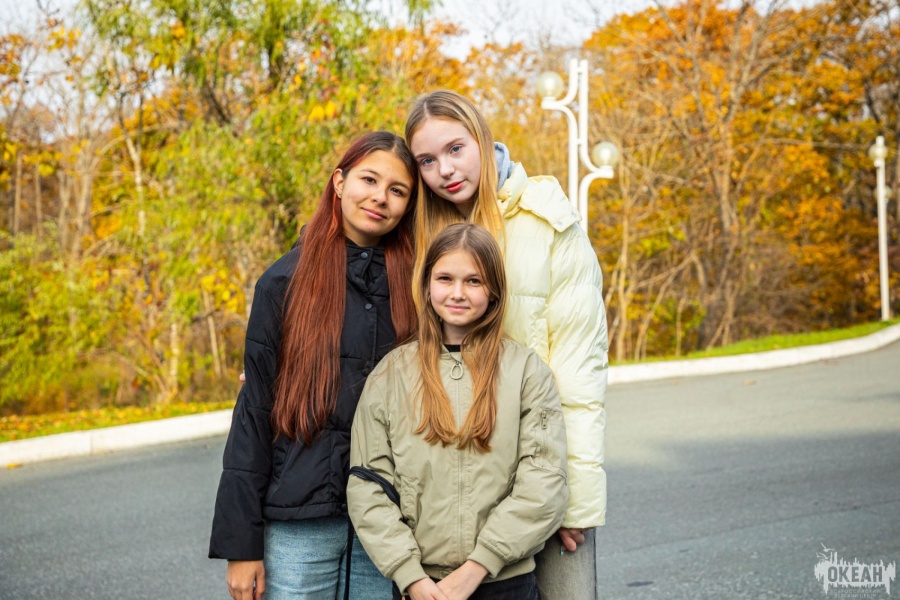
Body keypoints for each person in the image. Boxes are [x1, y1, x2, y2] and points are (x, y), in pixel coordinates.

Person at [404, 90, 608, 600]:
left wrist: (575, 500)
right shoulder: (419, 229)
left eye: (455, 148)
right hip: (454, 483)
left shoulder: (547, 223)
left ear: (482, 137)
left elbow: (579, 373)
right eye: (426, 160)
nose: (444, 170)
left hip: (542, 477)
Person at [209, 131, 419, 600]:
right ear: (339, 182)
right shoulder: (283, 282)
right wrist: (240, 546)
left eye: (397, 190)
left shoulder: (418, 290)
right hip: (298, 524)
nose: (380, 197)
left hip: (386, 524)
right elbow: (253, 416)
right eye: (369, 180)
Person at [347, 223, 568, 600]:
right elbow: (368, 484)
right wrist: (410, 576)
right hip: (421, 585)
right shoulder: (392, 373)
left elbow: (544, 480)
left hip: (505, 582)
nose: (458, 293)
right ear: (426, 285)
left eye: (474, 281)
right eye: (445, 278)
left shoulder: (526, 372)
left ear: (494, 290)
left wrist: (478, 565)